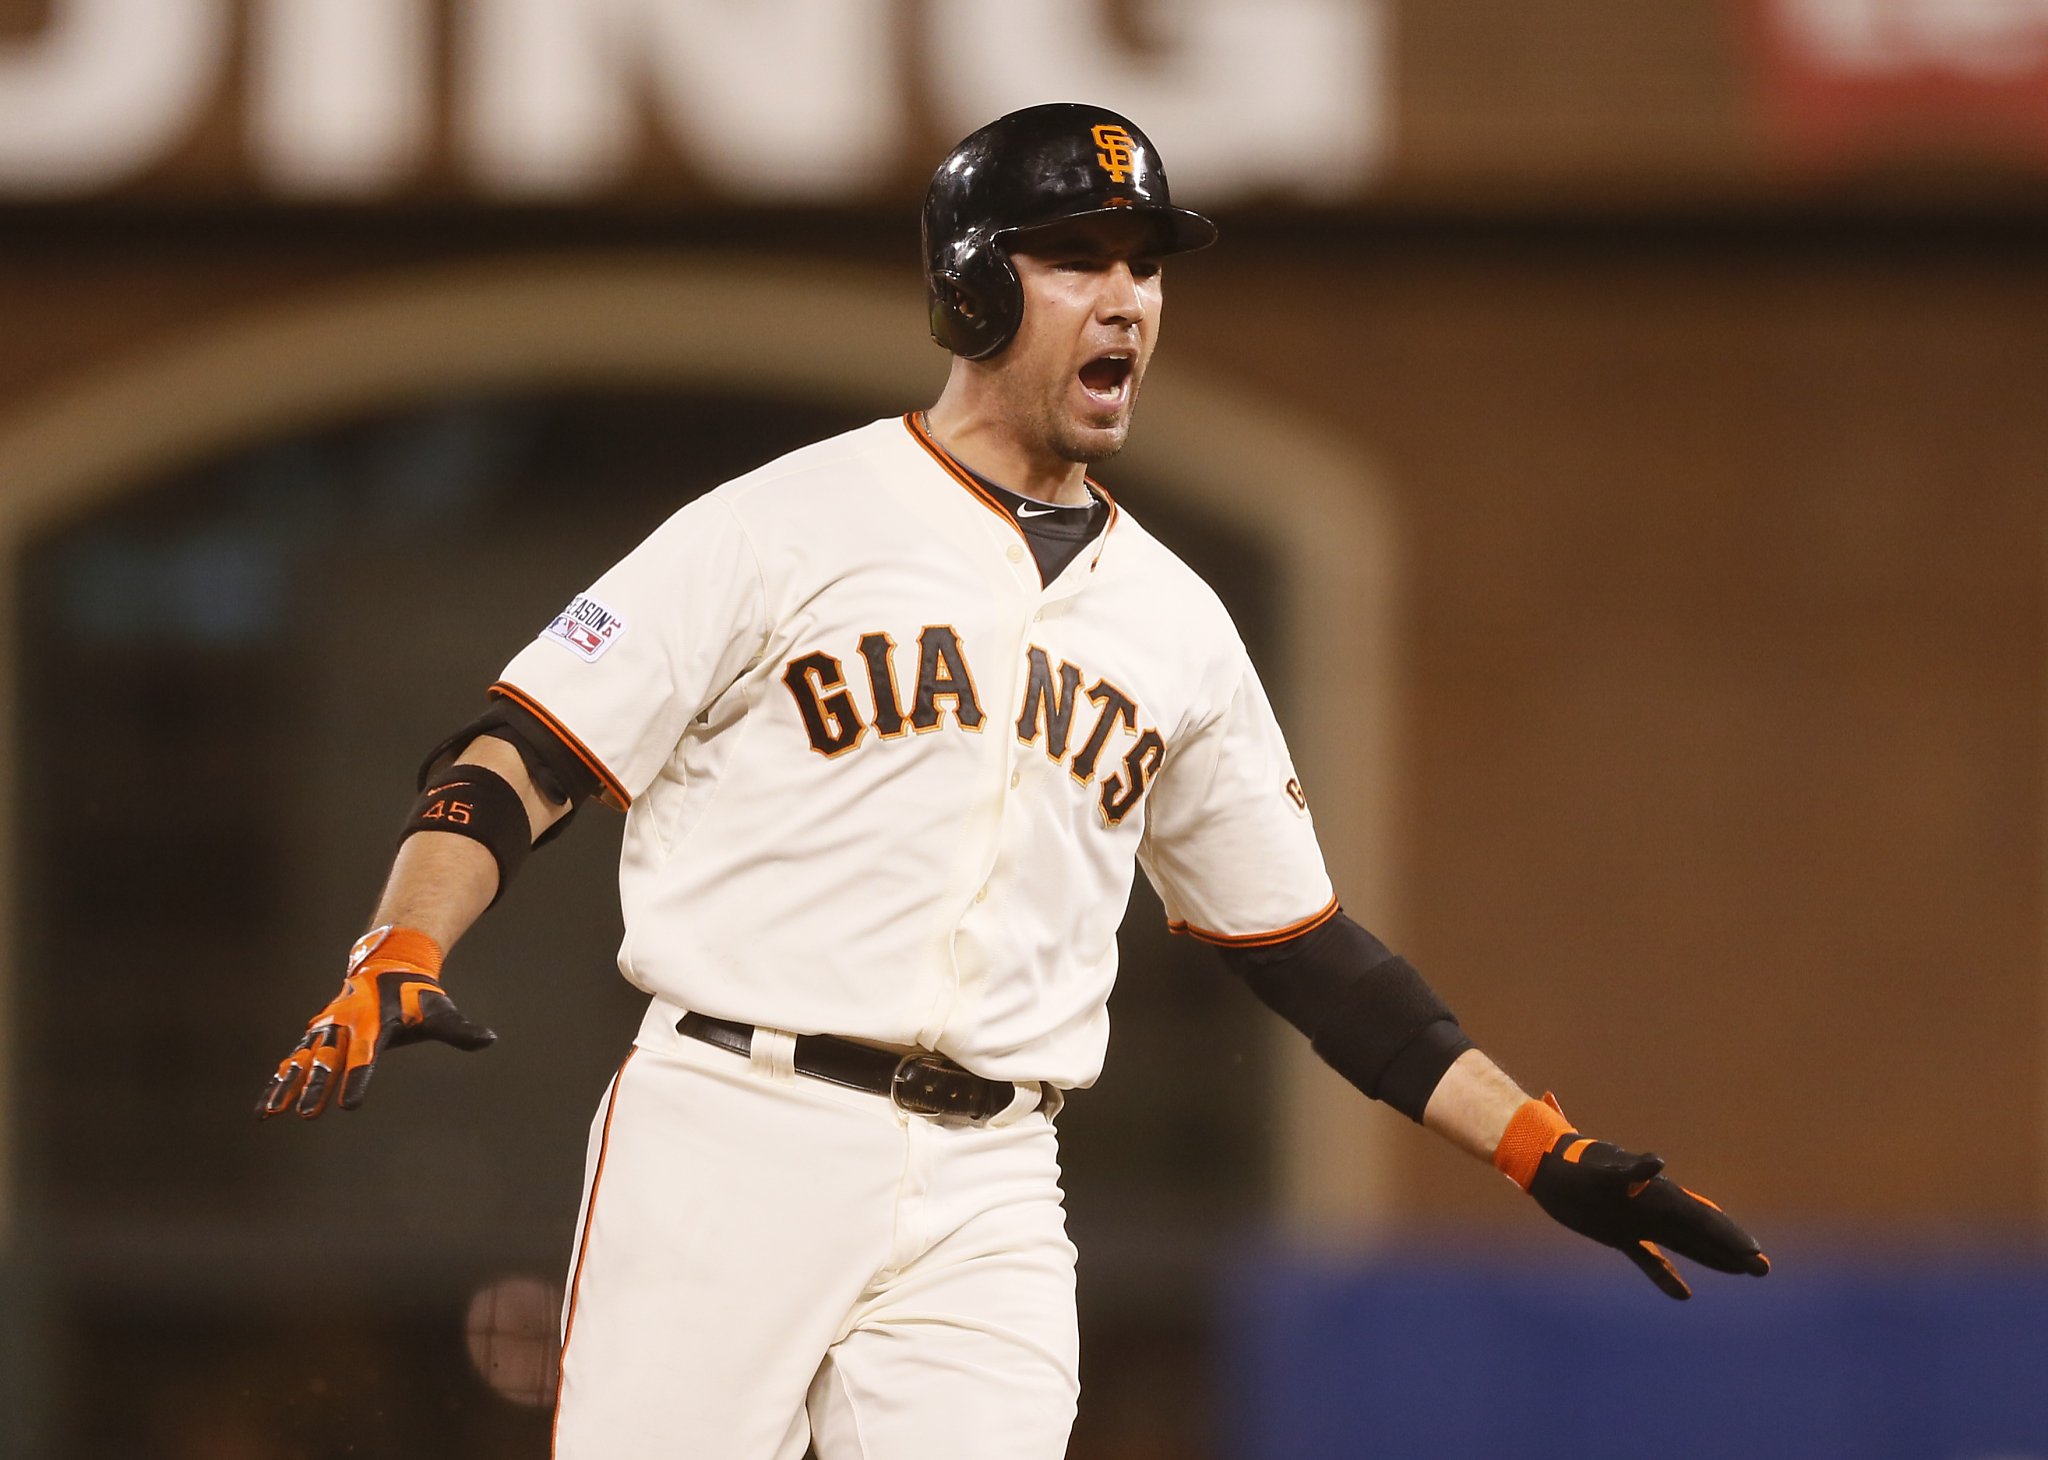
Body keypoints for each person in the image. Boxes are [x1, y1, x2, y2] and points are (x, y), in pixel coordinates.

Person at [258, 103, 1769, 1459]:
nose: (1128, 298)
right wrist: (402, 941)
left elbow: (1309, 953)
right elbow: (519, 754)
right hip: (733, 1127)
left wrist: (1536, 1146)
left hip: (995, 1179)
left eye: (1148, 264)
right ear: (974, 287)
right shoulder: (784, 521)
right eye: (1077, 256)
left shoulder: (1176, 622)